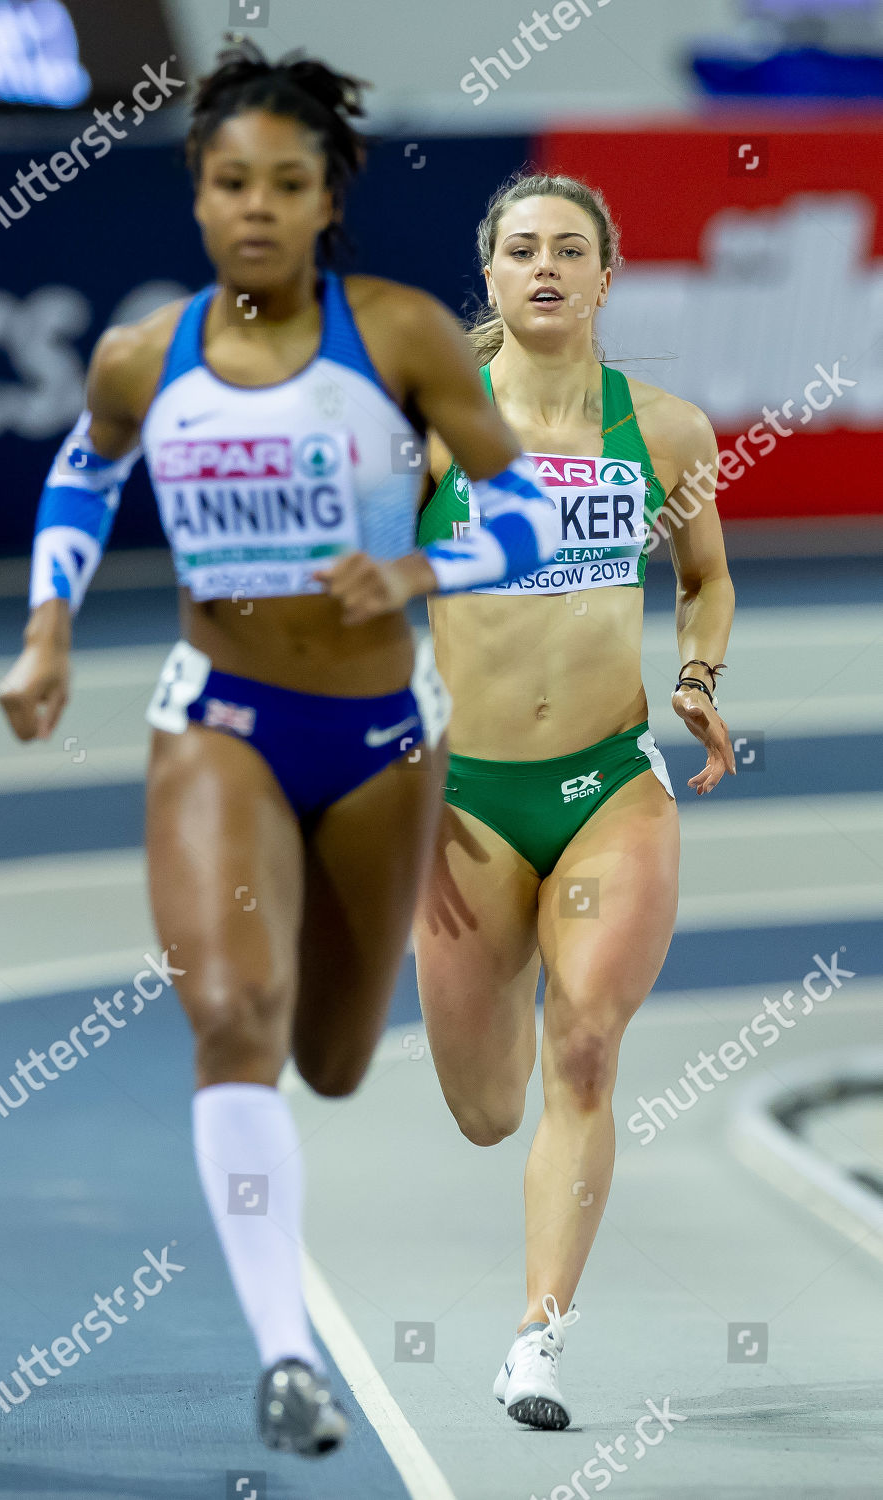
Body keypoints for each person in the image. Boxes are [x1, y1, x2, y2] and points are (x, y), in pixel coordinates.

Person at [0, 47, 563, 1459]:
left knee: (333, 1054)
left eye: (286, 183)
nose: (255, 206)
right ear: (196, 196)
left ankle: (311, 953)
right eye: (229, 181)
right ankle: (285, 1356)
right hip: (220, 727)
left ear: (327, 198)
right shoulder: (147, 352)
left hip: (378, 739)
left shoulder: (406, 336)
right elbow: (85, 465)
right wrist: (47, 630)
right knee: (235, 1022)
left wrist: (422, 577)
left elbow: (531, 516)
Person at [413, 171, 736, 1431]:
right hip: (468, 803)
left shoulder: (665, 432)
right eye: (519, 250)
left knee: (587, 1046)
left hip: (611, 781)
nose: (543, 267)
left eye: (569, 250)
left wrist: (699, 676)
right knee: (487, 1110)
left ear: (607, 276)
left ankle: (537, 1340)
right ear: (489, 278)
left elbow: (703, 580)